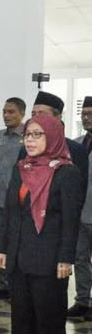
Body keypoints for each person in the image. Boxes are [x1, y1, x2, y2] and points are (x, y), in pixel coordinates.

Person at [0, 114, 80, 334]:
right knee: (21, 319)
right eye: (27, 135)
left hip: (49, 259)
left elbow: (71, 221)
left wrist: (66, 258)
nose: (30, 140)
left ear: (53, 137)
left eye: (37, 135)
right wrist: (3, 248)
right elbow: (10, 213)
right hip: (19, 257)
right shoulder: (22, 169)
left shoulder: (66, 173)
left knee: (49, 322)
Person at [0, 97, 27, 301]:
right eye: (4, 112)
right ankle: (4, 285)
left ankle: (18, 288)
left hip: (19, 202)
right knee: (1, 243)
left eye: (11, 112)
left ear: (22, 114)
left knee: (17, 245)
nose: (6, 116)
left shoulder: (27, 136)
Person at [73, 97, 92, 318]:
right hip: (79, 213)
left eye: (91, 113)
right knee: (80, 258)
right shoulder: (77, 144)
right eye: (84, 113)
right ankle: (82, 301)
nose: (86, 117)